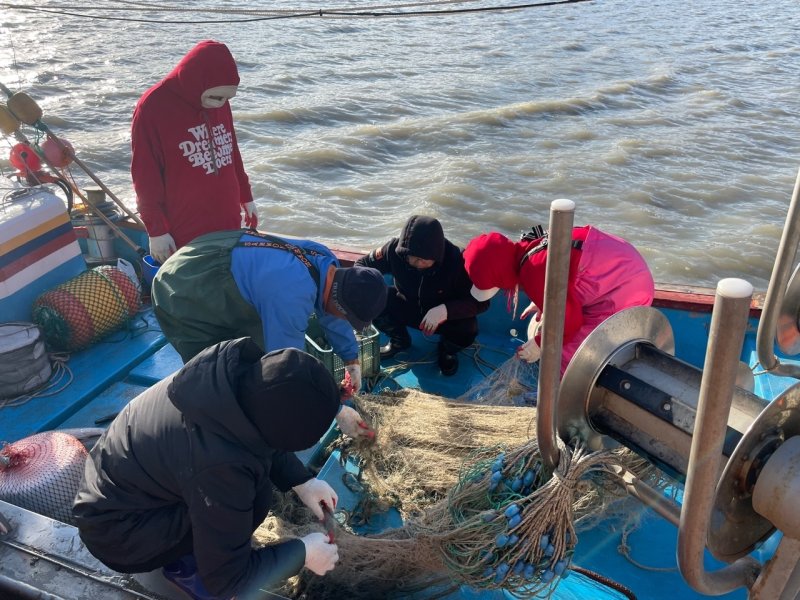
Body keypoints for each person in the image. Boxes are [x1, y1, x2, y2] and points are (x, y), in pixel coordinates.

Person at [73, 339, 345, 600]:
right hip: (117, 532)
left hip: (117, 484)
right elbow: (226, 579)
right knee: (253, 501)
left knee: (252, 491)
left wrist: (304, 482)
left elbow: (259, 434)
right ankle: (189, 571)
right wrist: (304, 553)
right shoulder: (220, 464)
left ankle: (197, 548)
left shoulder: (229, 379)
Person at [151, 229, 386, 406]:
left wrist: (351, 359)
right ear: (339, 302)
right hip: (182, 286)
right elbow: (286, 364)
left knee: (254, 349)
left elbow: (332, 313)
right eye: (349, 319)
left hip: (219, 252)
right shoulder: (291, 295)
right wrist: (335, 409)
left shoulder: (326, 261)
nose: (346, 323)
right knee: (213, 375)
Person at [463, 224, 654, 375]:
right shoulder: (530, 247)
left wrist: (540, 343)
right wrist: (542, 302)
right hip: (630, 268)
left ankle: (560, 400)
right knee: (548, 325)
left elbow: (570, 323)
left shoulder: (533, 273)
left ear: (501, 277)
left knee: (562, 353)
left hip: (627, 291)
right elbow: (559, 276)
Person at [131, 40, 258, 264]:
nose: (221, 105)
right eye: (217, 98)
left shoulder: (218, 102)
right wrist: (156, 230)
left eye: (227, 99)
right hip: (185, 227)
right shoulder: (153, 107)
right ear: (197, 83)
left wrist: (245, 196)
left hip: (227, 219)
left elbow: (230, 149)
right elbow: (144, 176)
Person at [355, 215, 490, 376]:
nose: (417, 263)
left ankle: (447, 351)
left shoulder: (457, 260)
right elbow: (361, 265)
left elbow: (482, 302)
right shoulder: (392, 250)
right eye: (412, 258)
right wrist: (369, 288)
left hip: (443, 318)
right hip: (407, 305)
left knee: (468, 328)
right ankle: (399, 341)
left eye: (423, 260)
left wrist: (446, 310)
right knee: (374, 299)